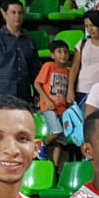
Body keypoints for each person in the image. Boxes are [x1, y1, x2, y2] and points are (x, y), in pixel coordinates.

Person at [0, 0, 41, 101]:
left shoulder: (29, 41)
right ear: (4, 14)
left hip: (24, 95)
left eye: (20, 13)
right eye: (13, 12)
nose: (17, 16)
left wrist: (37, 93)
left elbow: (35, 70)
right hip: (1, 94)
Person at [34, 39, 71, 170]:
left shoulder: (68, 71)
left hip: (62, 109)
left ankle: (54, 168)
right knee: (57, 131)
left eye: (65, 52)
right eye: (59, 51)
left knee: (60, 141)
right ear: (52, 55)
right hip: (49, 107)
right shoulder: (49, 66)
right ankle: (41, 146)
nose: (63, 54)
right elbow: (37, 84)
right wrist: (46, 100)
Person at [70, 11, 99, 109]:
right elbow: (74, 68)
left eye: (93, 25)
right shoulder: (82, 44)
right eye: (87, 26)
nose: (90, 29)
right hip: (81, 90)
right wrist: (70, 90)